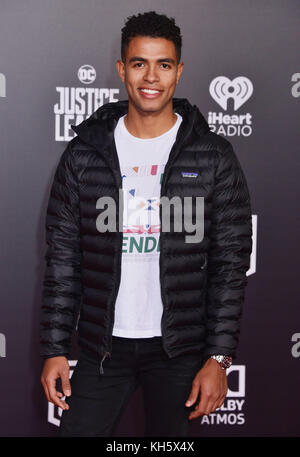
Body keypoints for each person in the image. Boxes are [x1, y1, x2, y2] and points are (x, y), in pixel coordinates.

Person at [40, 11, 252, 437]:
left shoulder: (212, 156)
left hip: (179, 351)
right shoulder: (85, 154)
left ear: (179, 71)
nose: (151, 76)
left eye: (164, 64)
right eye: (139, 63)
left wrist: (219, 359)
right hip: (104, 348)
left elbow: (231, 264)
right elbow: (63, 260)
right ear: (122, 70)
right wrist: (55, 349)